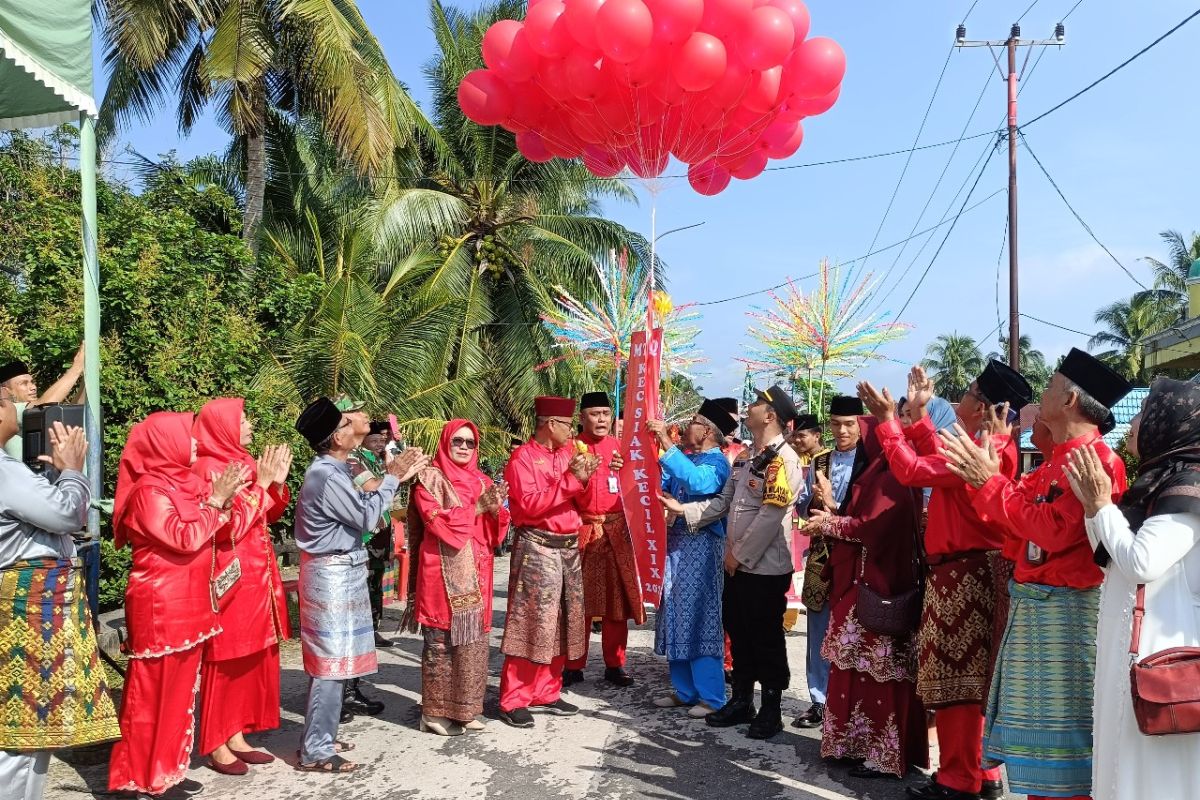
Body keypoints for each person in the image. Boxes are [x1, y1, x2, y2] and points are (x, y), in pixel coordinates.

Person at [943, 348, 1132, 800]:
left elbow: (1051, 531)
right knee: (1037, 746)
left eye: (1048, 386)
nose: (1040, 394)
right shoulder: (1056, 461)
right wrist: (986, 481)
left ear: (1069, 400)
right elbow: (1011, 525)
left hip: (1065, 614)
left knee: (1065, 746)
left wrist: (990, 484)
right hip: (1038, 608)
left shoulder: (1099, 461)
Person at [859, 361, 1031, 800]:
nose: (960, 401)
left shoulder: (988, 451)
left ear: (986, 408)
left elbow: (915, 471)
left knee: (959, 682)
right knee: (970, 682)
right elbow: (935, 458)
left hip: (967, 571)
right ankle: (979, 773)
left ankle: (961, 778)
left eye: (970, 395)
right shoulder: (985, 444)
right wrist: (916, 417)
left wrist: (887, 422)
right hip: (966, 568)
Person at [1065, 378, 1200, 800]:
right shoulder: (1159, 482)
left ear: (1169, 423)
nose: (1132, 424)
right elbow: (1110, 551)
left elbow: (1143, 561)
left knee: (1152, 773)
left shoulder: (1190, 486)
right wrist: (1095, 508)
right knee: (1123, 757)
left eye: (1143, 415)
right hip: (1131, 651)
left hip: (1160, 661)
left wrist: (1102, 506)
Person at [107, 412, 251, 797]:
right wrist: (217, 502)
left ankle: (167, 769)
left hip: (189, 604)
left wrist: (223, 501)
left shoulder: (183, 484)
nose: (195, 444)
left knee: (180, 696)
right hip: (161, 606)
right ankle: (137, 778)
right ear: (163, 444)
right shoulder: (149, 492)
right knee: (150, 697)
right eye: (187, 438)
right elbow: (184, 538)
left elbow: (217, 526)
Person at [292, 397, 427, 773]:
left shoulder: (336, 469)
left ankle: (323, 735)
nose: (359, 424)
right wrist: (393, 477)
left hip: (343, 570)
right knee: (330, 663)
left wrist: (391, 477)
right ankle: (315, 750)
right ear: (337, 437)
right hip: (331, 573)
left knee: (340, 661)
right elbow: (368, 517)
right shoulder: (325, 474)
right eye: (349, 422)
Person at [666, 385, 803, 739]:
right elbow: (724, 502)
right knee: (739, 633)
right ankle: (742, 698)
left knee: (766, 637)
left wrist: (737, 554)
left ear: (770, 416)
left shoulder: (783, 460)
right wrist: (685, 510)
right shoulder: (745, 458)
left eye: (757, 404)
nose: (750, 407)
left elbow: (771, 517)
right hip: (737, 565)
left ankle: (771, 708)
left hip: (763, 566)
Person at [0, 403, 119, 800]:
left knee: (27, 726)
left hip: (26, 601)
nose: (15, 409)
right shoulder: (4, 470)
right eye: (5, 402)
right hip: (26, 606)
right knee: (22, 731)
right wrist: (73, 472)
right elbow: (69, 514)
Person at [806, 414, 929, 780]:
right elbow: (862, 518)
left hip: (876, 586)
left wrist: (829, 523)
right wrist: (831, 506)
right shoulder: (879, 470)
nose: (856, 440)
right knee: (855, 670)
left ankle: (881, 752)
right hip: (861, 584)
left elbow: (874, 527)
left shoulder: (891, 476)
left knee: (879, 673)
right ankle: (852, 744)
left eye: (861, 433)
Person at [191, 398, 292, 776]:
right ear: (222, 426)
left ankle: (236, 734)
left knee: (252, 654)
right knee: (227, 658)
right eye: (243, 419)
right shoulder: (206, 469)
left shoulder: (245, 463)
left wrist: (275, 484)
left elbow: (268, 512)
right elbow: (226, 526)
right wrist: (263, 484)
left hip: (257, 572)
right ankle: (216, 741)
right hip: (228, 575)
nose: (250, 425)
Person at [499, 396, 598, 729]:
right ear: (550, 424)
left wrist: (588, 478)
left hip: (568, 547)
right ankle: (514, 697)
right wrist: (572, 481)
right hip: (537, 546)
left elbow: (583, 502)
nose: (572, 432)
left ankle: (547, 690)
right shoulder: (522, 458)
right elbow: (527, 507)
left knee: (562, 620)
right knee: (530, 622)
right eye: (568, 425)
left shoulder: (571, 453)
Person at [407, 419, 509, 736]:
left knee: (473, 643)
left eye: (470, 443)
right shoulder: (429, 480)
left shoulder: (481, 480)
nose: (464, 447)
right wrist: (478, 508)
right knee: (440, 643)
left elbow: (496, 534)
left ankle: (466, 709)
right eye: (458, 442)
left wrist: (497, 510)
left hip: (477, 570)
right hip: (441, 572)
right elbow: (437, 523)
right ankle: (434, 713)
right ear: (445, 443)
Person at [650, 399, 735, 717]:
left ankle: (711, 696)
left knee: (700, 618)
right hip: (676, 547)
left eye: (696, 421)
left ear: (709, 431)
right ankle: (685, 690)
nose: (689, 425)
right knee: (674, 614)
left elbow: (698, 483)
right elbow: (667, 484)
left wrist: (666, 442)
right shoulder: (688, 457)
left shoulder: (718, 463)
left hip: (702, 549)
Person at [793, 395, 866, 731]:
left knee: (854, 630)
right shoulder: (819, 461)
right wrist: (814, 503)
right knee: (819, 629)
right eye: (836, 424)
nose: (842, 430)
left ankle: (850, 705)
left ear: (861, 424)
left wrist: (836, 507)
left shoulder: (871, 460)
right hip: (822, 556)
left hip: (858, 558)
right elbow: (802, 508)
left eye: (849, 424)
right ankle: (819, 700)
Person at [563, 392, 641, 688]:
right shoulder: (570, 449)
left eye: (606, 414)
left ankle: (615, 664)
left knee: (615, 605)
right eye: (594, 414)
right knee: (576, 603)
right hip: (580, 531)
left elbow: (638, 488)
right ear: (581, 418)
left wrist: (627, 472)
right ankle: (572, 664)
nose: (601, 420)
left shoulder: (620, 449)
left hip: (615, 534)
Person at [348, 420, 399, 648]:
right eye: (375, 440)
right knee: (364, 581)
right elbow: (374, 487)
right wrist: (395, 474)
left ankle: (374, 627)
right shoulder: (355, 459)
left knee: (376, 581)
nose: (379, 444)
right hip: (366, 533)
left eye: (382, 440)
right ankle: (363, 630)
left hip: (382, 531)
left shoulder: (379, 460)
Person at [0, 344, 85, 460]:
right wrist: (76, 368)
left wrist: (86, 380)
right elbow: (44, 404)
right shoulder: (12, 411)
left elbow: (76, 410)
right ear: (6, 391)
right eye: (24, 384)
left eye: (32, 382)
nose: (33, 387)